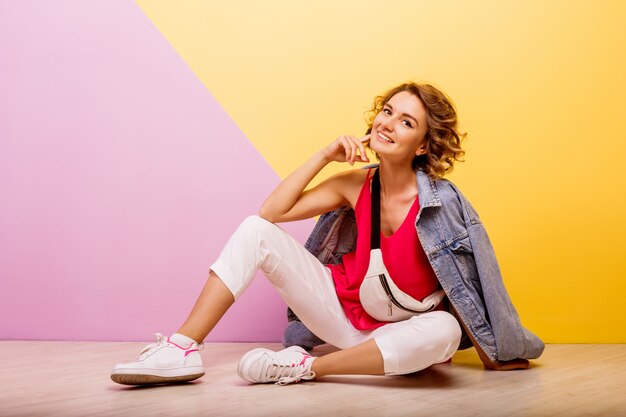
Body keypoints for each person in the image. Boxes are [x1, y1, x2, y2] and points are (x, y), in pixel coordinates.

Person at [111, 81, 543, 386]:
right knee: (253, 229)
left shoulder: (443, 203)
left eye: (406, 122)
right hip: (337, 316)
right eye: (387, 111)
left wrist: (495, 350)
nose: (388, 123)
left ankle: (304, 369)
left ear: (425, 145)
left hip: (398, 334)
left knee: (445, 330)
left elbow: (477, 278)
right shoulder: (355, 185)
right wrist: (324, 155)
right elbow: (272, 212)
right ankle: (182, 349)